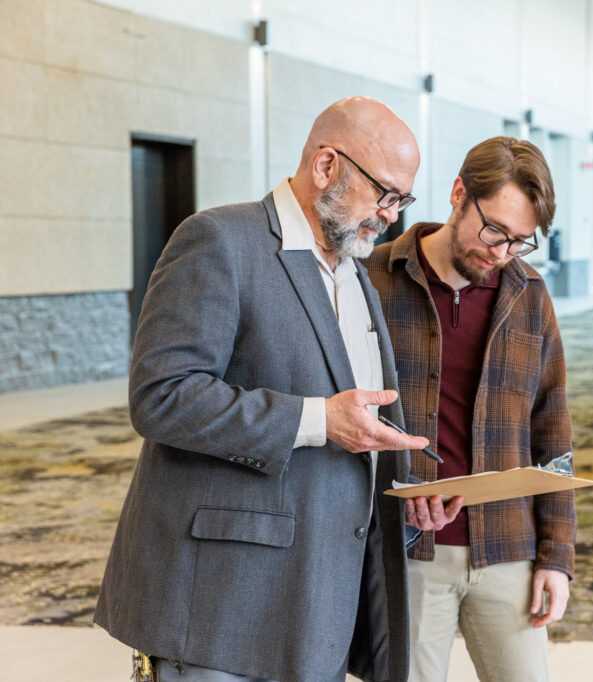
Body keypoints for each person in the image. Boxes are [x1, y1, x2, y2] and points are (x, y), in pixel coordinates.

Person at [94, 97, 463, 682]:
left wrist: (403, 508)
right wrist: (319, 420)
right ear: (326, 166)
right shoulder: (219, 241)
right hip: (221, 605)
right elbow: (161, 395)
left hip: (316, 607)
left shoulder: (354, 274)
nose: (390, 216)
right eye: (384, 194)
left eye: (402, 201)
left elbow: (352, 430)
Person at [365, 137, 575, 682]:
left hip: (509, 547)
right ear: (459, 193)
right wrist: (394, 492)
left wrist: (557, 556)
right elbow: (347, 415)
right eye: (494, 231)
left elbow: (553, 429)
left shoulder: (529, 294)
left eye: (520, 242)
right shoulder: (373, 279)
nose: (502, 253)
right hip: (411, 551)